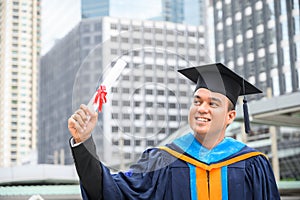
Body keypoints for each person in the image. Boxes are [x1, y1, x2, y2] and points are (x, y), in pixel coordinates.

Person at [68, 63, 280, 199]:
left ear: (230, 117)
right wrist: (84, 141)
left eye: (212, 104)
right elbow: (109, 191)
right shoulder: (163, 160)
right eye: (197, 101)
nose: (202, 108)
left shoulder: (253, 164)